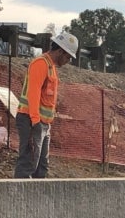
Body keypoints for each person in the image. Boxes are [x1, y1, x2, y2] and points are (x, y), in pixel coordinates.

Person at [14, 30, 79, 178]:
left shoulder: (51, 67)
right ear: (61, 51)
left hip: (43, 124)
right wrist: (35, 121)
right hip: (31, 120)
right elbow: (33, 93)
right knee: (29, 162)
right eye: (68, 57)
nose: (68, 61)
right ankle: (20, 195)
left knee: (41, 166)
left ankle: (36, 197)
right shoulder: (41, 64)